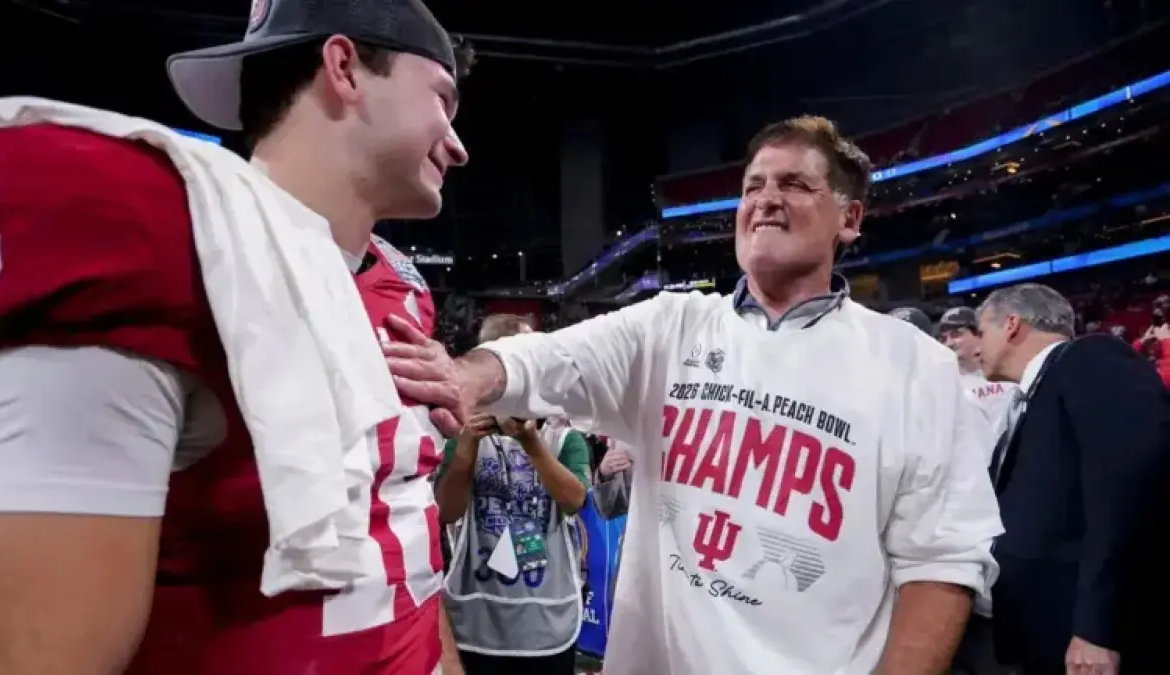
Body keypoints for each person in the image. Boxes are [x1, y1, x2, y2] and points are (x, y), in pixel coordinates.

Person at [383, 115, 1002, 674]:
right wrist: (468, 375)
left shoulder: (914, 365)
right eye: (753, 186)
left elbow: (942, 562)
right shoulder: (671, 325)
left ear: (850, 218)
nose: (765, 199)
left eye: (794, 184)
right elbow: (548, 359)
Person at [0, 0, 471, 673]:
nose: (458, 144)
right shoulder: (158, 235)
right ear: (345, 68)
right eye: (442, 98)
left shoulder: (403, 288)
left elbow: (402, 532)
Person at [977, 283, 1170, 675]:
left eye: (981, 332)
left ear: (1011, 324)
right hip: (1045, 634)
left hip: (1086, 639)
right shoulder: (1038, 392)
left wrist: (1097, 628)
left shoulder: (1090, 356)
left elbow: (1129, 484)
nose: (978, 346)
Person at [436, 314, 590, 675]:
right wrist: (466, 447)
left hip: (547, 619)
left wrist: (531, 442)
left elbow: (574, 502)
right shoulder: (463, 437)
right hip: (477, 617)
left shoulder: (563, 439)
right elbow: (447, 512)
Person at [937, 306, 1019, 438]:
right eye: (944, 338)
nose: (949, 343)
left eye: (956, 334)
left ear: (978, 335)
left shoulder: (1007, 372)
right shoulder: (944, 385)